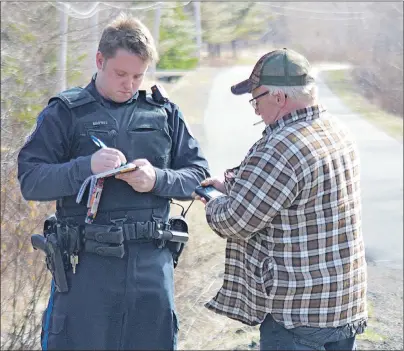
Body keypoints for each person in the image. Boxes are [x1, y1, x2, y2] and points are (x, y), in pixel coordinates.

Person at [18, 13, 210, 350]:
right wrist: (85, 167)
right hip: (86, 270)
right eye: (121, 74)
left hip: (151, 267)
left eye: (138, 75)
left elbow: (198, 175)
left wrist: (156, 179)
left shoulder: (163, 113)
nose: (130, 84)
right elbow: (31, 181)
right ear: (99, 60)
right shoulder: (66, 113)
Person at [194, 48, 368, 350]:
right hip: (343, 305)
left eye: (256, 98)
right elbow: (291, 198)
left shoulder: (282, 147)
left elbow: (235, 222)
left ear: (279, 98)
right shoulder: (336, 131)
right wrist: (236, 187)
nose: (255, 109)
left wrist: (211, 201)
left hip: (298, 316)